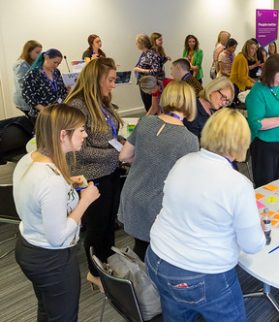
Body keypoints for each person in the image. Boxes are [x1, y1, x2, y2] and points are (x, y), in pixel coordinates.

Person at [146, 107, 264, 321]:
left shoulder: (184, 162)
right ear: (240, 142)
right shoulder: (238, 184)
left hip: (157, 259)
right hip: (201, 274)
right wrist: (258, 229)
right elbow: (252, 245)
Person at [13, 104, 99, 322]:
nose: (85, 134)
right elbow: (57, 236)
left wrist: (68, 184)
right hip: (51, 258)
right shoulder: (51, 182)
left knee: (49, 310)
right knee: (63, 317)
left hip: (29, 245)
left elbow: (37, 194)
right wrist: (85, 201)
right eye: (80, 130)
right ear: (63, 134)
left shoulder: (30, 159)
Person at [118, 81, 199, 260]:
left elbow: (123, 156)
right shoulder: (189, 139)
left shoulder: (145, 122)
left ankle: (135, 284)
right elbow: (188, 183)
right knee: (154, 254)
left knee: (139, 249)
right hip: (155, 204)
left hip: (132, 195)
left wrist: (143, 159)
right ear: (189, 103)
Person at [65, 57, 122, 291]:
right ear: (95, 79)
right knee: (97, 227)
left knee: (109, 224)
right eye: (110, 80)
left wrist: (124, 146)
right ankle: (93, 272)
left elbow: (110, 137)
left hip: (110, 172)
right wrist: (117, 155)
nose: (113, 85)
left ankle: (106, 263)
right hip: (90, 176)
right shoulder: (77, 106)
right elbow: (79, 152)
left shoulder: (102, 103)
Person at [246, 54, 279, 187]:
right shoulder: (258, 92)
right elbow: (256, 123)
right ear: (270, 72)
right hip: (266, 146)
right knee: (265, 184)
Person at [22, 48, 68, 119]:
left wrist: (68, 90)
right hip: (41, 114)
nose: (56, 65)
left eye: (58, 63)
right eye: (54, 62)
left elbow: (62, 90)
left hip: (56, 112)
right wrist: (43, 110)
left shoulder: (56, 72)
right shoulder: (33, 74)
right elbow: (27, 95)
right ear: (46, 58)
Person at [133, 33, 162, 112]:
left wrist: (140, 70)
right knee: (147, 105)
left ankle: (153, 123)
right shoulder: (144, 53)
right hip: (144, 83)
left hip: (150, 84)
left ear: (142, 43)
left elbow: (156, 70)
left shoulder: (151, 53)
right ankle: (151, 122)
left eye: (137, 42)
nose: (136, 44)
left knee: (151, 107)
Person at [13, 40, 42, 115]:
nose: (39, 55)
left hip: (30, 98)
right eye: (37, 52)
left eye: (40, 52)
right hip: (24, 100)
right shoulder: (21, 65)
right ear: (29, 52)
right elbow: (24, 83)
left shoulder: (31, 63)